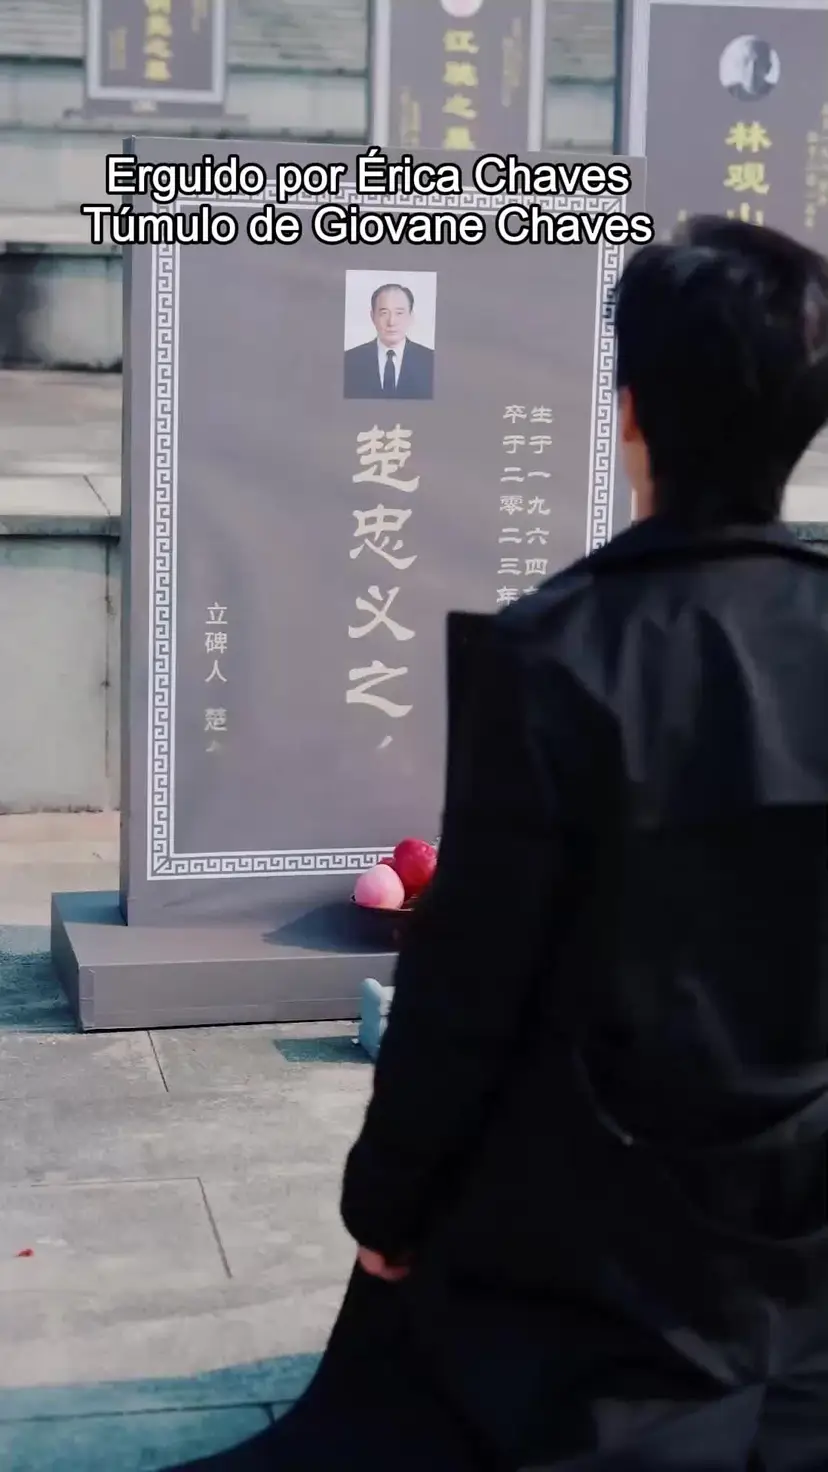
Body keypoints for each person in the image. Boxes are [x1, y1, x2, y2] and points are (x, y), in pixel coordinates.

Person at [169, 216, 828, 1469]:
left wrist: (387, 1199)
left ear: (630, 413)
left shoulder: (556, 653)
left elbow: (469, 983)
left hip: (600, 1219)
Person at [343, 283, 435, 400]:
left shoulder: (431, 360)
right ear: (372, 316)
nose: (391, 322)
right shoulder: (349, 360)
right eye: (384, 313)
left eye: (399, 313)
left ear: (411, 316)